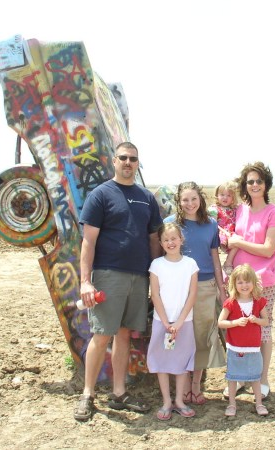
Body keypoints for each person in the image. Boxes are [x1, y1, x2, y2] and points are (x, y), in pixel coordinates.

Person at [74, 141, 163, 421]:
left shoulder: (146, 198)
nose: (128, 162)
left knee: (124, 335)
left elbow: (153, 241)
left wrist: (154, 279)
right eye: (123, 157)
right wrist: (86, 282)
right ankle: (87, 394)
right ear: (114, 161)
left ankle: (119, 393)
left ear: (138, 164)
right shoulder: (101, 195)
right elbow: (88, 242)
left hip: (139, 277)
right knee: (101, 336)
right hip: (107, 276)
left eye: (133, 159)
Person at [225, 161, 275, 400]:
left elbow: (268, 249)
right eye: (250, 181)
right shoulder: (240, 210)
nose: (255, 185)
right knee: (239, 328)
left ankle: (261, 379)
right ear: (245, 185)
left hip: (263, 282)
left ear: (266, 184)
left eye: (259, 180)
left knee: (262, 329)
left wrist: (238, 242)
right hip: (237, 282)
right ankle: (240, 377)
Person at [164, 181, 226, 405]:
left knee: (201, 338)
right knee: (179, 337)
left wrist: (221, 289)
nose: (190, 204)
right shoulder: (170, 224)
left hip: (205, 286)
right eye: (185, 200)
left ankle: (195, 385)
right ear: (179, 202)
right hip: (176, 289)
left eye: (194, 199)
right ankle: (180, 386)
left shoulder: (210, 225)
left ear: (200, 199)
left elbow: (215, 259)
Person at [147, 222, 199, 420]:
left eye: (174, 238)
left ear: (181, 240)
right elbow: (155, 295)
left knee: (181, 361)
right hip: (162, 322)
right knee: (162, 360)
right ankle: (166, 401)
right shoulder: (157, 265)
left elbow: (192, 294)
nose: (170, 242)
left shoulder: (190, 264)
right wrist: (167, 322)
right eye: (166, 239)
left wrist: (179, 322)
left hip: (184, 322)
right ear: (160, 243)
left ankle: (179, 400)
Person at [218, 264, 269, 416]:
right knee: (233, 376)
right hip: (235, 348)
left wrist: (256, 320)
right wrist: (234, 323)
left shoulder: (259, 301)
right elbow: (220, 322)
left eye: (247, 282)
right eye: (240, 282)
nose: (244, 285)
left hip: (253, 348)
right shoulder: (230, 303)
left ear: (253, 283)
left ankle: (259, 403)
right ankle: (232, 404)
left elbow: (266, 321)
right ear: (234, 284)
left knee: (255, 376)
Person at [208, 181, 239, 276]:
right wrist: (224, 231)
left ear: (233, 198)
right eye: (222, 195)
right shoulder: (214, 209)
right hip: (220, 232)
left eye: (229, 195)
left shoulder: (235, 209)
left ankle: (228, 262)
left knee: (239, 241)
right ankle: (227, 263)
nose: (225, 198)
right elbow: (213, 224)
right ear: (217, 195)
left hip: (232, 232)